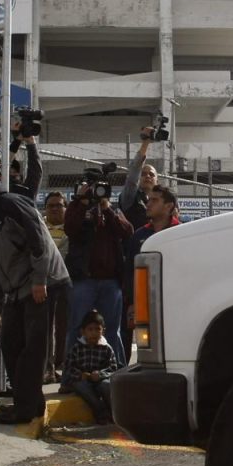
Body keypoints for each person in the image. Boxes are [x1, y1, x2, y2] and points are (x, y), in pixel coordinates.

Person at [0, 168, 71, 426]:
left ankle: (25, 409)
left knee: (33, 347)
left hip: (43, 282)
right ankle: (29, 403)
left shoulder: (9, 204)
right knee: (10, 343)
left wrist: (40, 279)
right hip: (17, 289)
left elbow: (38, 239)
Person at [63, 176, 134, 366]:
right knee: (76, 326)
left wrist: (106, 208)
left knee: (112, 329)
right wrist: (81, 202)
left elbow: (127, 232)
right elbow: (70, 228)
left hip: (110, 281)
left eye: (99, 190)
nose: (96, 193)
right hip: (83, 280)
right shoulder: (76, 208)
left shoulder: (112, 211)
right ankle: (70, 375)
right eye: (92, 189)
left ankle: (116, 372)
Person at [121, 184, 181, 363]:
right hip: (144, 302)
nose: (148, 204)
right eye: (149, 200)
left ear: (169, 206)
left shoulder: (181, 233)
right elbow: (130, 271)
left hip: (174, 301)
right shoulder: (140, 234)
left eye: (155, 200)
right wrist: (131, 303)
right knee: (144, 344)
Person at [58, 309, 118, 425]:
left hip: (99, 380)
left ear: (103, 331)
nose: (94, 333)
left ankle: (114, 413)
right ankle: (101, 413)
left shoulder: (106, 348)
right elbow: (68, 368)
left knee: (106, 385)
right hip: (83, 381)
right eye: (90, 330)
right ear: (83, 332)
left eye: (97, 329)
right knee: (80, 386)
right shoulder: (77, 348)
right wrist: (80, 375)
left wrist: (100, 375)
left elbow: (113, 368)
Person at [42, 191, 69, 379]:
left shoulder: (73, 228)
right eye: (51, 206)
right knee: (45, 328)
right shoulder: (39, 227)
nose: (54, 209)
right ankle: (47, 368)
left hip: (66, 282)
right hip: (43, 283)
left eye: (59, 205)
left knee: (64, 325)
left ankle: (62, 364)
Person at [116, 125, 161, 231]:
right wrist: (146, 143)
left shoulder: (163, 201)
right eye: (143, 174)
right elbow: (134, 173)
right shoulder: (130, 198)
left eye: (151, 174)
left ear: (157, 181)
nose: (147, 176)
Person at [7, 119, 42, 206]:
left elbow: (35, 172)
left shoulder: (25, 193)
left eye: (15, 172)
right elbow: (1, 167)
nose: (13, 175)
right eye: (10, 173)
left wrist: (29, 142)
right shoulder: (1, 190)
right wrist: (19, 140)